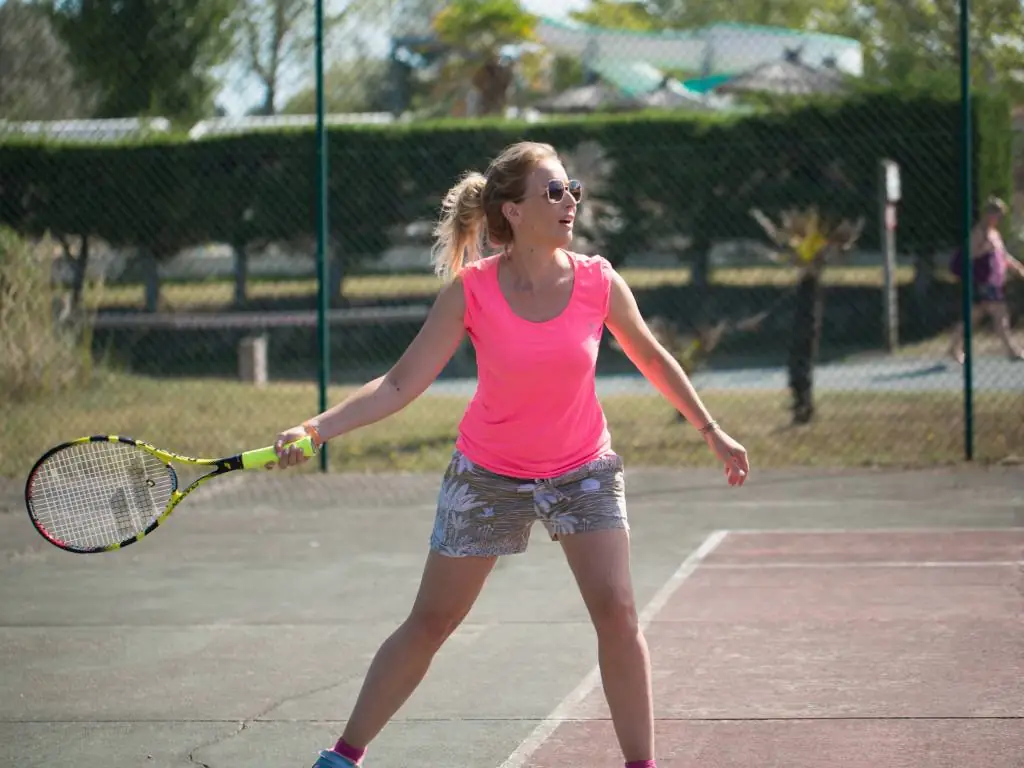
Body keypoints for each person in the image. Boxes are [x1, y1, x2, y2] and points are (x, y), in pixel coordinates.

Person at [272, 141, 750, 768]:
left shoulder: (597, 281)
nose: (570, 201)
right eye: (554, 191)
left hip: (583, 470)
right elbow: (398, 383)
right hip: (488, 474)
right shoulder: (471, 292)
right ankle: (342, 756)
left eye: (571, 188)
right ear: (513, 211)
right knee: (432, 621)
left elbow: (653, 358)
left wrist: (711, 429)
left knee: (617, 611)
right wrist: (318, 426)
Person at [947, 196, 1024, 364]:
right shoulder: (979, 233)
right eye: (997, 214)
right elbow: (969, 256)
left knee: (972, 318)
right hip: (983, 284)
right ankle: (1012, 350)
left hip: (994, 283)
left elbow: (1002, 255)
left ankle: (953, 347)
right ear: (988, 214)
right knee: (1000, 315)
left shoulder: (994, 234)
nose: (999, 219)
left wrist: (1017, 267)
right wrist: (981, 253)